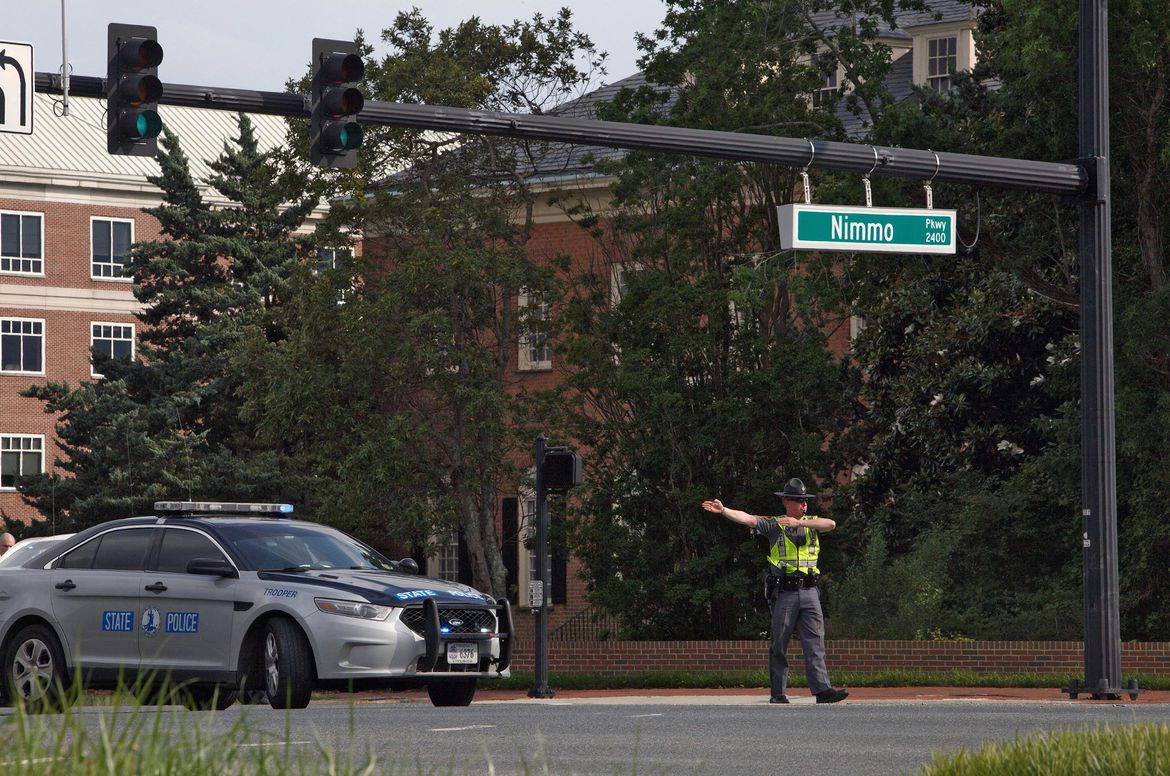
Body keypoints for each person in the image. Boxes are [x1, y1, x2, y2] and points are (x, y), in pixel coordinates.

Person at [703, 478, 848, 704]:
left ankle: (822, 690)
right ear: (787, 502)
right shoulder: (775, 524)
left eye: (805, 501)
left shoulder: (811, 522)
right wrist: (724, 511)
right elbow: (749, 519)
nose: (804, 505)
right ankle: (778, 693)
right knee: (780, 643)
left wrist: (799, 524)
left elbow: (831, 524)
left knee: (815, 642)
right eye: (799, 501)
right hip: (785, 592)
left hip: (810, 591)